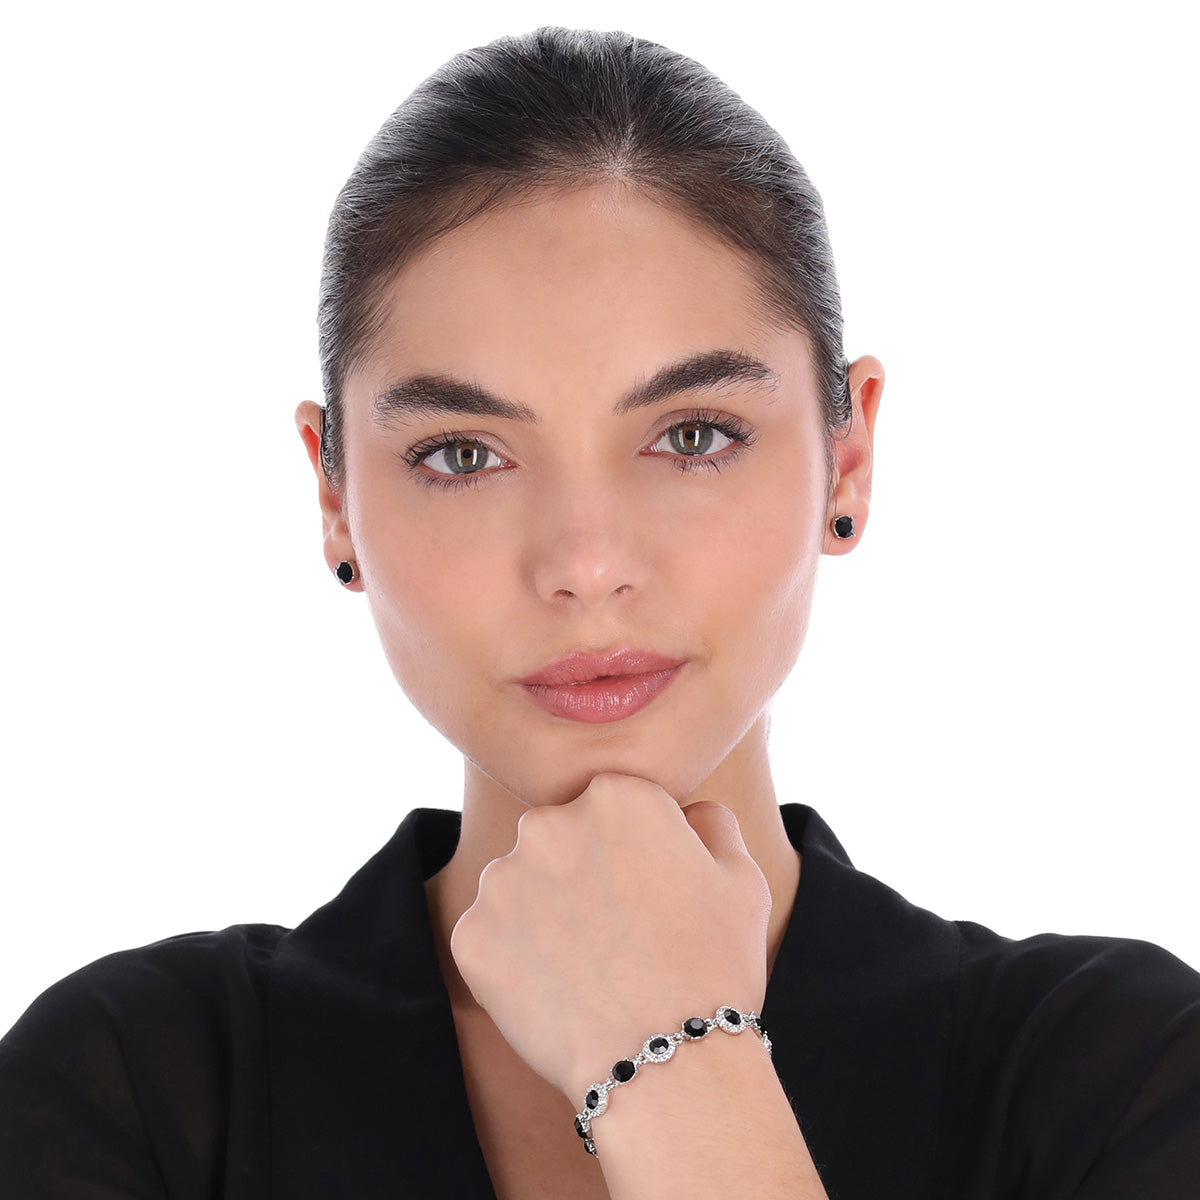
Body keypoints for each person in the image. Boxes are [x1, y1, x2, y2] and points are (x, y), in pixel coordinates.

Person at [1, 25, 1197, 1199]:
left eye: (694, 435)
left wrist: (675, 1064)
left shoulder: (1118, 1078)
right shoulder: (133, 1095)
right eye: (463, 454)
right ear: (334, 495)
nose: (585, 565)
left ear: (848, 457)